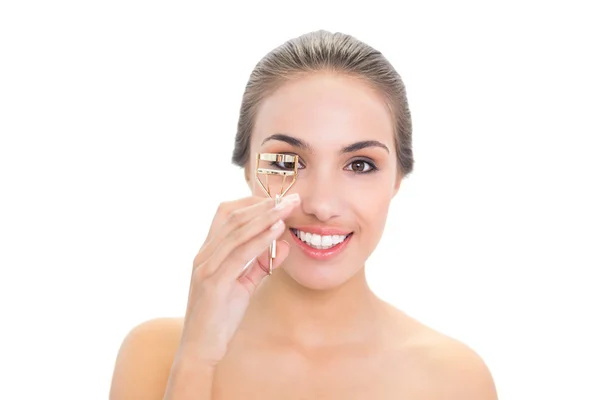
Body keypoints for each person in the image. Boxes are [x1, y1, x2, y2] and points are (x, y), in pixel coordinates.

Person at [109, 30, 498, 399]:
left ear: (397, 178)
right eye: (287, 162)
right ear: (248, 169)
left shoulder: (454, 378)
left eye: (360, 165)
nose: (321, 205)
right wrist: (197, 358)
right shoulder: (155, 354)